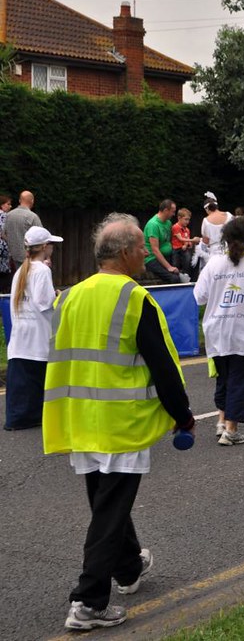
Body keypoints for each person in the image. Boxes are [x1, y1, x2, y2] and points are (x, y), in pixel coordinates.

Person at [43, 213, 194, 631]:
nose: (146, 254)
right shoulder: (133, 298)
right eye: (142, 249)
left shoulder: (70, 296)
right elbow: (162, 366)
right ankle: (88, 601)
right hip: (120, 423)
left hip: (80, 417)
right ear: (126, 253)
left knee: (107, 503)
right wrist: (183, 417)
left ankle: (127, 569)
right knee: (109, 510)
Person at [194, 218, 244, 446]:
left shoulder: (213, 264)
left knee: (224, 377)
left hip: (217, 331)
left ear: (225, 239)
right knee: (239, 379)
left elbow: (199, 297)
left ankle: (221, 420)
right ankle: (231, 429)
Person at [4, 226, 61, 431]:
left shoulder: (21, 270)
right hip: (38, 336)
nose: (53, 248)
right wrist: (58, 295)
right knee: (39, 379)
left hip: (21, 336)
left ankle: (19, 418)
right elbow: (44, 302)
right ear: (45, 247)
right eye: (51, 244)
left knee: (22, 381)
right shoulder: (43, 270)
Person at [5, 190, 42, 271]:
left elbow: (4, 234)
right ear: (32, 201)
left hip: (13, 256)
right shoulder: (32, 217)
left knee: (18, 280)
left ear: (19, 200)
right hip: (29, 257)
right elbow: (41, 237)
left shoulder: (9, 215)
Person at [200, 192, 233, 261]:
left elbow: (205, 241)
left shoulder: (206, 221)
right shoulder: (229, 215)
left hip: (214, 254)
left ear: (207, 209)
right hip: (230, 250)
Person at [170, 208, 199, 281]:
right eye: (186, 219)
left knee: (188, 259)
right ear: (179, 218)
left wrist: (187, 244)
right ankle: (175, 277)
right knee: (175, 263)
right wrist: (192, 240)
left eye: (188, 219)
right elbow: (180, 239)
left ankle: (186, 275)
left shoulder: (187, 229)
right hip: (176, 249)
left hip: (184, 248)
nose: (187, 221)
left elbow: (186, 239)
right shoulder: (175, 227)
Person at [0, 194, 12, 293]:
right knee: (5, 276)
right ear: (1, 205)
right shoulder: (4, 216)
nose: (10, 206)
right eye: (8, 204)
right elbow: (4, 233)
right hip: (2, 249)